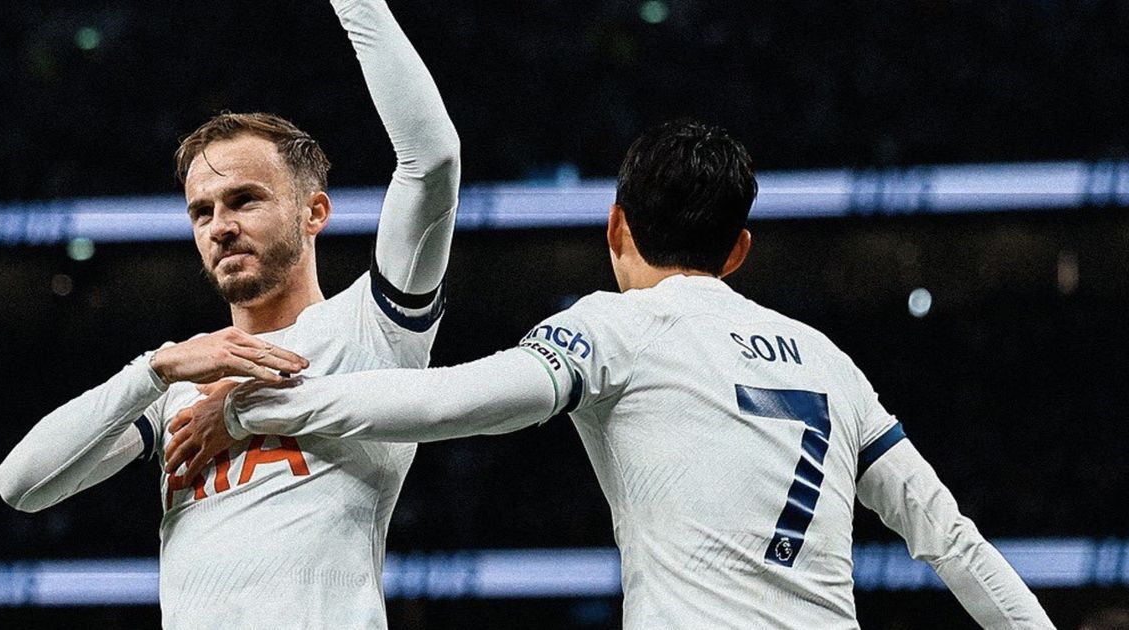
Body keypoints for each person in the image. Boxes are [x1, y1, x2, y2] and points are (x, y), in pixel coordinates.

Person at [171, 120, 1055, 628]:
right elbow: (953, 542)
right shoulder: (831, 362)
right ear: (738, 251)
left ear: (615, 227)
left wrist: (252, 411)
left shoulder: (613, 327)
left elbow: (451, 402)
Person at [0, 0, 459, 626]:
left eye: (244, 200)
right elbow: (21, 485)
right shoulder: (178, 383)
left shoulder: (371, 327)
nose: (220, 226)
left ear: (314, 213)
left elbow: (432, 161)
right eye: (202, 211)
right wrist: (155, 371)